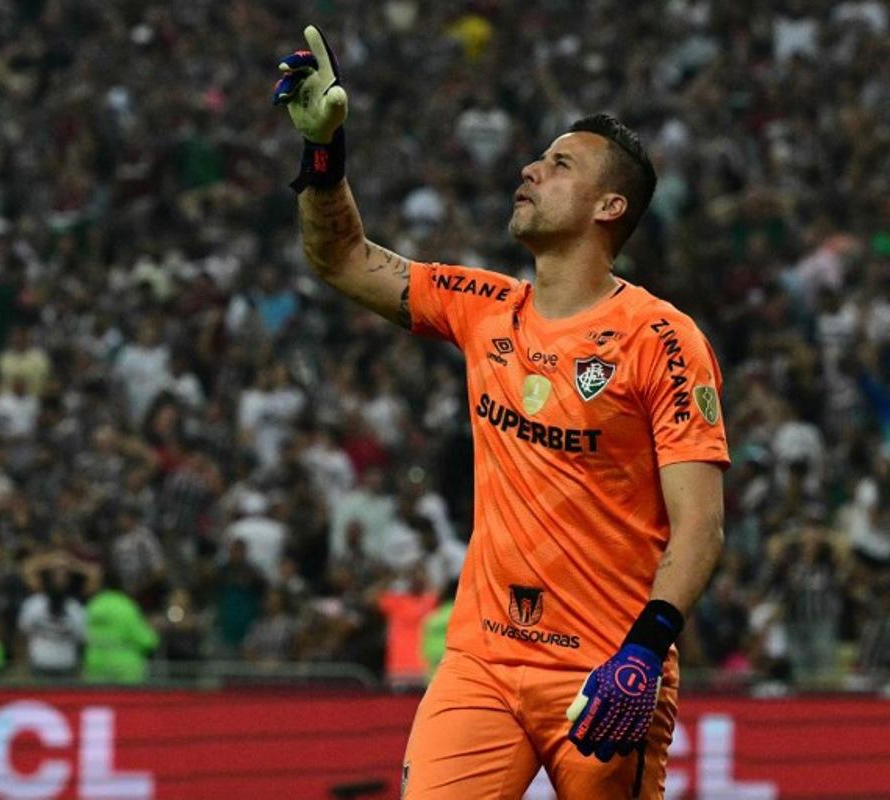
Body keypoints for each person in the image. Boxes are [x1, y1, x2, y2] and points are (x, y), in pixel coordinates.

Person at [276, 27, 729, 798]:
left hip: (605, 670)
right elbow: (341, 258)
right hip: (481, 663)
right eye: (538, 158)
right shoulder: (483, 306)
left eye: (560, 165)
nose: (530, 169)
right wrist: (324, 155)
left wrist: (646, 650)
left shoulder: (663, 340)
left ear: (609, 205)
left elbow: (701, 526)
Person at [82, 565, 159, 685]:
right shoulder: (126, 606)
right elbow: (147, 641)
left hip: (96, 669)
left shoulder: (93, 606)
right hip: (126, 672)